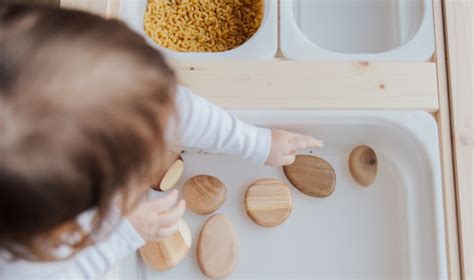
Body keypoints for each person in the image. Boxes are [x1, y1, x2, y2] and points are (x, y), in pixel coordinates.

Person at [0, 4, 323, 279]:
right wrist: (122, 234)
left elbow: (168, 108)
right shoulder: (22, 264)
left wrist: (255, 142)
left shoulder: (96, 87)